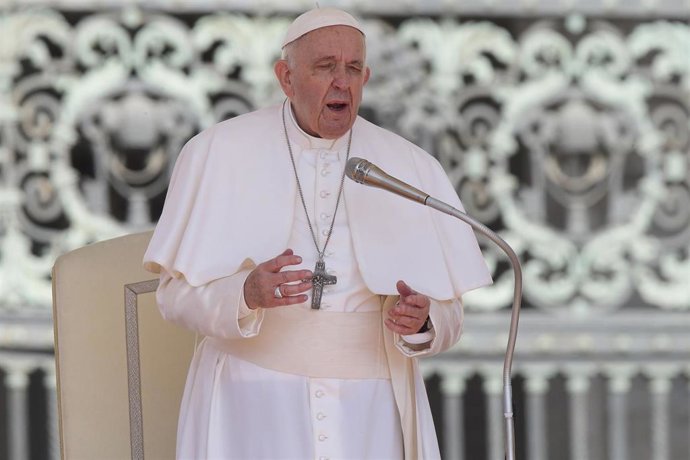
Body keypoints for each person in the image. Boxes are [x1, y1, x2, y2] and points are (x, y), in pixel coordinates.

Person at [144, 7, 492, 460]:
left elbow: (451, 314)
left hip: (371, 412)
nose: (341, 83)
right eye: (325, 67)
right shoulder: (218, 152)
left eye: (352, 69)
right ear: (286, 78)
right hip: (249, 404)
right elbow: (172, 297)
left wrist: (425, 321)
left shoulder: (409, 168)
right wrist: (243, 294)